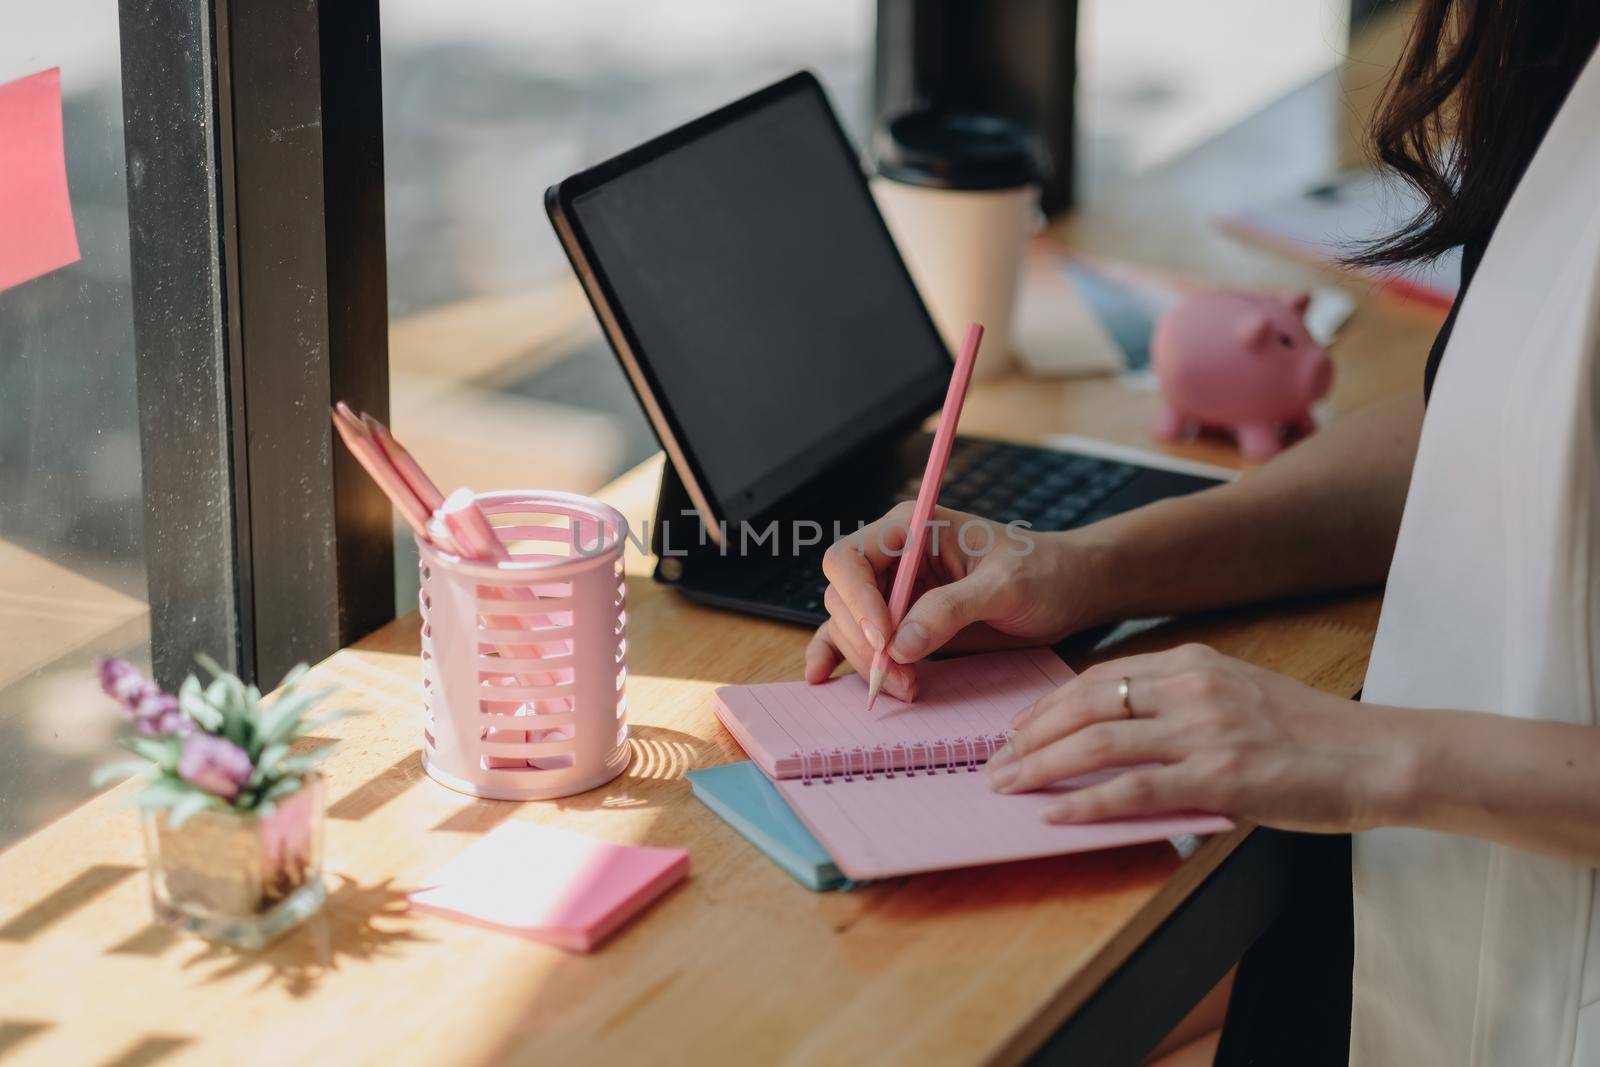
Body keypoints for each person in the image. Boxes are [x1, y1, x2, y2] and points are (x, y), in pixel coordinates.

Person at [806, 4, 1600, 1064]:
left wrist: (1361, 749)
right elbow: (1488, 420)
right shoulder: (1553, 43)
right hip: (1429, 900)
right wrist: (1088, 567)